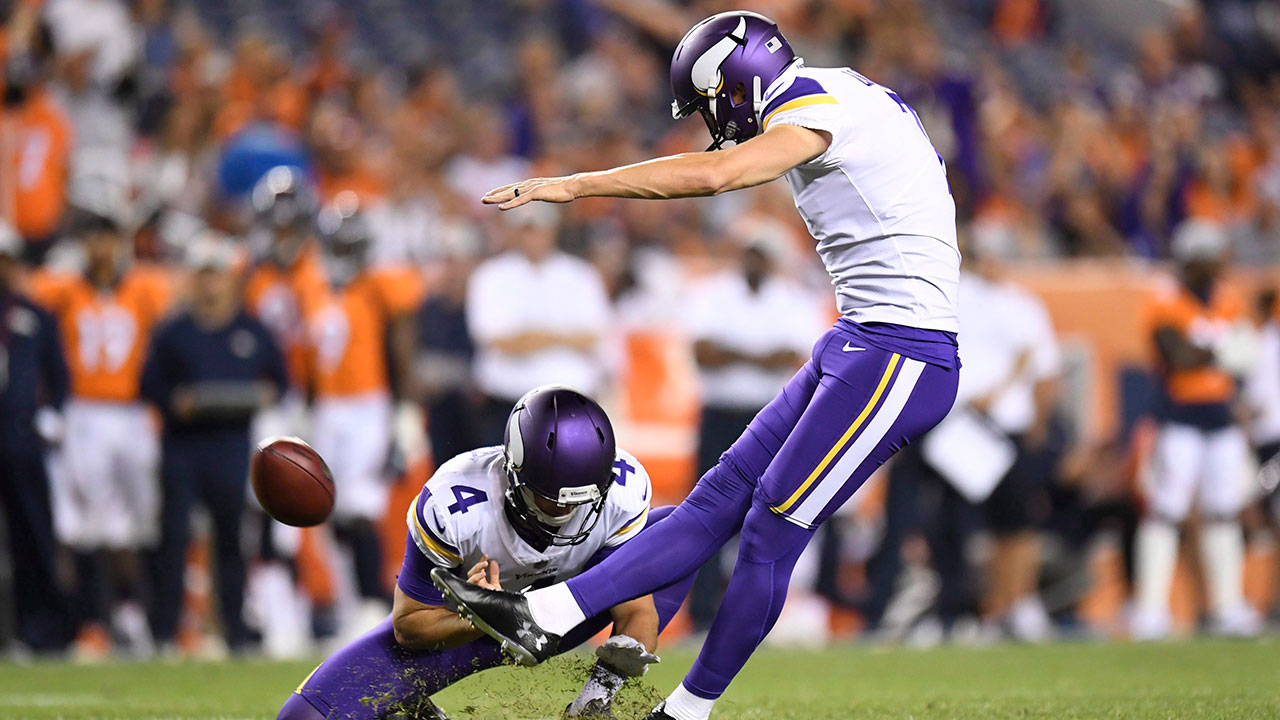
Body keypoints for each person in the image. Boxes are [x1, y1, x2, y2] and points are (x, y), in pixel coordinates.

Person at [433, 12, 961, 720]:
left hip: (904, 351)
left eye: (712, 102)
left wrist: (574, 185)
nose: (714, 120)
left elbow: (716, 176)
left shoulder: (814, 107)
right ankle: (548, 613)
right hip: (860, 338)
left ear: (739, 83)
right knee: (717, 497)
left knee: (773, 522)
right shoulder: (832, 91)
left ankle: (686, 712)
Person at [276, 386, 694, 720]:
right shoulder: (455, 503)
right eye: (553, 500)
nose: (568, 512)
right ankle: (412, 709)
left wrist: (600, 695)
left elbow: (634, 606)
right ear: (515, 473)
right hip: (467, 633)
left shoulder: (622, 490)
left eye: (582, 501)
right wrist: (486, 613)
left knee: (679, 533)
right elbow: (408, 626)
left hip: (567, 613)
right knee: (303, 717)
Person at [29, 209, 171, 658]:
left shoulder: (146, 289)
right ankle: (94, 621)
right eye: (93, 238)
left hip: (132, 412)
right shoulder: (63, 291)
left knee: (140, 520)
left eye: (107, 237)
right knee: (88, 524)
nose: (101, 248)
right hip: (84, 412)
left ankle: (137, 615)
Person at [140, 232, 289, 655]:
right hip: (183, 447)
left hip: (230, 446)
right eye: (203, 275)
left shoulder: (252, 330)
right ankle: (164, 633)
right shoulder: (173, 331)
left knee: (230, 540)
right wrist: (174, 401)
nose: (210, 285)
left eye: (217, 275)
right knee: (173, 537)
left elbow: (280, 382)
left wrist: (263, 396)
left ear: (231, 279)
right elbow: (149, 383)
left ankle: (236, 632)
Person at [683, 225, 824, 632]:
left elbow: (798, 359)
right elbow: (703, 353)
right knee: (708, 511)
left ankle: (754, 615)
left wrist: (733, 352)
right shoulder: (712, 293)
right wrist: (763, 356)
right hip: (721, 411)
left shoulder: (793, 300)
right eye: (750, 252)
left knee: (771, 512)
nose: (755, 262)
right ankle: (702, 613)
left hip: (774, 417)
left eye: (762, 254)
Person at [1131, 219, 1261, 639]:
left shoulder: (1227, 297)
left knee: (1223, 513)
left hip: (1220, 418)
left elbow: (1247, 360)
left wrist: (1215, 353)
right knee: (1166, 511)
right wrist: (1223, 351)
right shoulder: (1165, 296)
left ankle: (1228, 607)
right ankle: (1151, 610)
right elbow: (1178, 354)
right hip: (1179, 416)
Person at [302, 192, 422, 633]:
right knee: (328, 511)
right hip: (328, 409)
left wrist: (405, 411)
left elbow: (402, 352)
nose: (344, 255)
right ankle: (352, 603)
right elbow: (313, 357)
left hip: (368, 407)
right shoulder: (312, 286)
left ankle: (373, 603)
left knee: (358, 509)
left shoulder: (380, 287)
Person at [466, 203, 611, 444]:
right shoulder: (490, 276)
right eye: (526, 230)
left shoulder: (581, 275)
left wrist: (535, 337)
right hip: (507, 401)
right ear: (514, 231)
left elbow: (594, 337)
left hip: (569, 403)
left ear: (553, 229)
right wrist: (563, 338)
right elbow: (497, 341)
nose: (533, 237)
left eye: (538, 229)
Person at [0, 221, 72, 653]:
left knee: (33, 537)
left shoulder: (36, 315)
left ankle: (41, 631)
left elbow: (58, 376)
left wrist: (51, 414)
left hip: (22, 438)